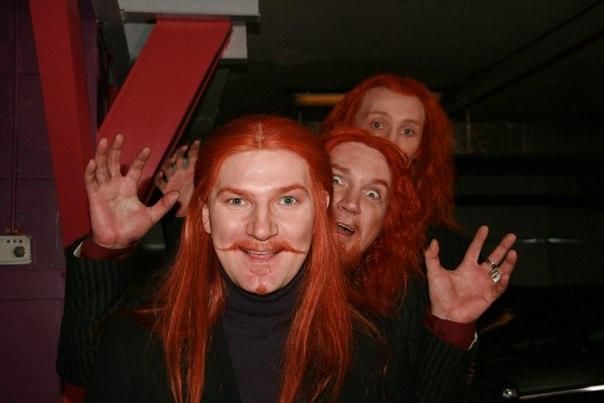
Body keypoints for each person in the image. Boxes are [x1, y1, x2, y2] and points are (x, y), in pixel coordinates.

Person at [81, 116, 401, 402]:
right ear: (206, 215)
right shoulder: (138, 341)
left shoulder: (375, 348)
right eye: (237, 201)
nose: (261, 229)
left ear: (320, 210)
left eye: (287, 200)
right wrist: (106, 248)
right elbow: (80, 364)